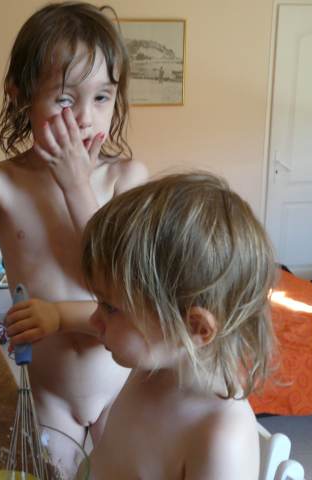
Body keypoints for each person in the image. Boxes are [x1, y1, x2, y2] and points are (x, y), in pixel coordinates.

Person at [0, 1, 148, 446]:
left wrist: (76, 185)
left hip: (123, 390)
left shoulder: (126, 178)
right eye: (65, 98)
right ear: (20, 96)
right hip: (47, 395)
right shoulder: (0, 182)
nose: (85, 117)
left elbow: (123, 278)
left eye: (102, 97)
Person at [82, 172, 277, 479]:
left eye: (110, 308)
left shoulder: (221, 439)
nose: (93, 320)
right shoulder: (152, 368)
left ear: (195, 328)